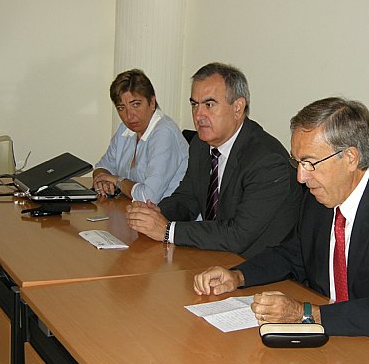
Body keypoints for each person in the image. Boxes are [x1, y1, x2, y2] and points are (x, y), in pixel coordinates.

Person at [194, 97, 369, 354]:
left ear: (351, 158)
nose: (301, 177)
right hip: (341, 339)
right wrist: (238, 276)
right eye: (297, 162)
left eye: (310, 163)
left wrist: (305, 313)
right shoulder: (320, 195)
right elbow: (293, 253)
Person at [125, 62, 302, 259]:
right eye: (194, 104)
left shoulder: (267, 161)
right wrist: (155, 213)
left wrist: (167, 230)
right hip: (215, 258)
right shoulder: (201, 145)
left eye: (209, 105)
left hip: (258, 269)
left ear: (237, 108)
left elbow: (237, 235)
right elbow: (188, 198)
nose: (198, 115)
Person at [93, 69, 188, 203]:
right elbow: (103, 166)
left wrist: (117, 181)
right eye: (121, 108)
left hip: (169, 218)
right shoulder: (125, 130)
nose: (129, 115)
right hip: (133, 211)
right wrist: (102, 179)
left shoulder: (164, 133)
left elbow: (148, 197)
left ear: (152, 102)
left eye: (136, 105)